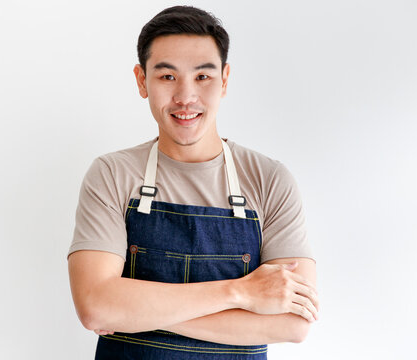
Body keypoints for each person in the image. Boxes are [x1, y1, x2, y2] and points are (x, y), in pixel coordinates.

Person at [67, 5, 319, 359]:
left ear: (225, 80)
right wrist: (241, 293)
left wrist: (136, 311)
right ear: (142, 81)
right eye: (167, 76)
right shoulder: (112, 174)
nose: (186, 97)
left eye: (203, 77)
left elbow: (293, 323)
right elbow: (96, 307)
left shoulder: (270, 180)